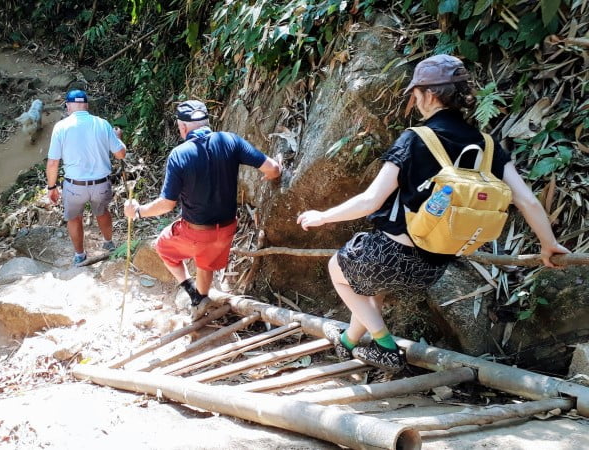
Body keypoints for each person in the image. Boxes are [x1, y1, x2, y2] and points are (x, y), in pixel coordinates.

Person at [297, 54, 570, 371]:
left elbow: (371, 200)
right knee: (372, 292)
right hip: (432, 268)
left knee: (339, 270)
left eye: (416, 92)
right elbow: (528, 201)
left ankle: (386, 346)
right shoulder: (489, 146)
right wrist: (548, 244)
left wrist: (322, 216)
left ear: (430, 94)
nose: (415, 99)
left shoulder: (415, 139)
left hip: (390, 255)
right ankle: (348, 343)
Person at [124, 100, 281, 318]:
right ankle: (200, 300)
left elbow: (167, 204)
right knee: (206, 260)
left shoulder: (180, 155)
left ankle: (191, 291)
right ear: (207, 121)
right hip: (226, 230)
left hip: (195, 232)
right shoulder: (230, 140)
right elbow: (273, 168)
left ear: (182, 127)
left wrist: (138, 211)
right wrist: (272, 175)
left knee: (163, 246)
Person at [46, 89, 127, 265]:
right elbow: (120, 154)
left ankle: (80, 256)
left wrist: (52, 187)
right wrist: (117, 137)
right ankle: (109, 244)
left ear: (68, 106)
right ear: (87, 105)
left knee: (74, 218)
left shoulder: (61, 127)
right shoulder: (102, 124)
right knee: (102, 212)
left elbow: (53, 163)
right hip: (101, 184)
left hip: (74, 186)